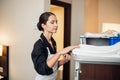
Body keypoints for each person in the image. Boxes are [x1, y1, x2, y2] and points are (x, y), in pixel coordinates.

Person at [31, 12, 79, 80]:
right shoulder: (38, 45)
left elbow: (53, 66)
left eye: (56, 22)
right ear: (43, 25)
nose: (56, 25)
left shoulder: (53, 42)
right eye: (52, 22)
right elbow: (42, 69)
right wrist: (59, 53)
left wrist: (64, 61)